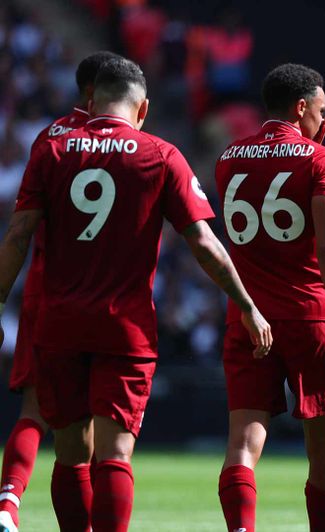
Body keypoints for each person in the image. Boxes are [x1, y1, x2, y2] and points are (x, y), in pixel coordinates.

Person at [1, 57, 271, 532]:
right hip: (124, 327)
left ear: (92, 101)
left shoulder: (52, 147)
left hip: (59, 319)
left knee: (69, 455)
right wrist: (247, 305)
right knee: (115, 454)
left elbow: (19, 233)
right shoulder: (160, 154)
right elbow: (204, 244)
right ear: (142, 107)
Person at [214, 63, 325, 532]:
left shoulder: (229, 157)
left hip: (249, 316)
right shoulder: (323, 160)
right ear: (301, 108)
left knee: (243, 442)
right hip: (310, 316)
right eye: (321, 109)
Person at [0, 50, 122, 532]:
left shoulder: (50, 138)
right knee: (105, 427)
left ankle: (8, 504)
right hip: (111, 301)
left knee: (41, 411)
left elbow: (21, 227)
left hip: (47, 293)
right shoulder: (135, 143)